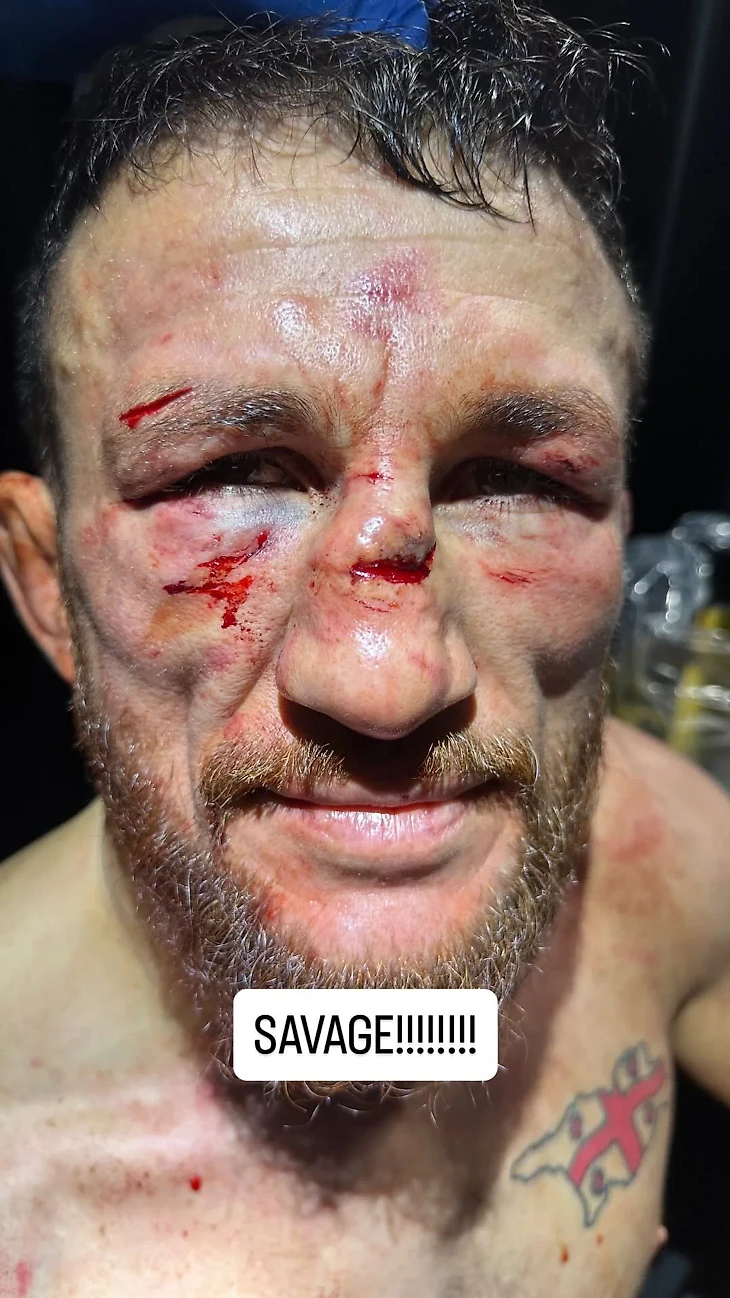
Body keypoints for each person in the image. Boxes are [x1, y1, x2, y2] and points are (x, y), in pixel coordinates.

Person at [0, 2, 728, 1293]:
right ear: (47, 582)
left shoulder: (655, 860)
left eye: (518, 480)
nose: (388, 685)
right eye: (227, 474)